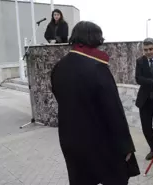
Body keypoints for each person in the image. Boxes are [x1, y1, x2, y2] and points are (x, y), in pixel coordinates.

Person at [50, 21, 140, 185]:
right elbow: (113, 111)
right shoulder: (97, 67)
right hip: (101, 143)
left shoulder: (58, 67)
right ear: (95, 38)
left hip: (71, 141)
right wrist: (126, 147)